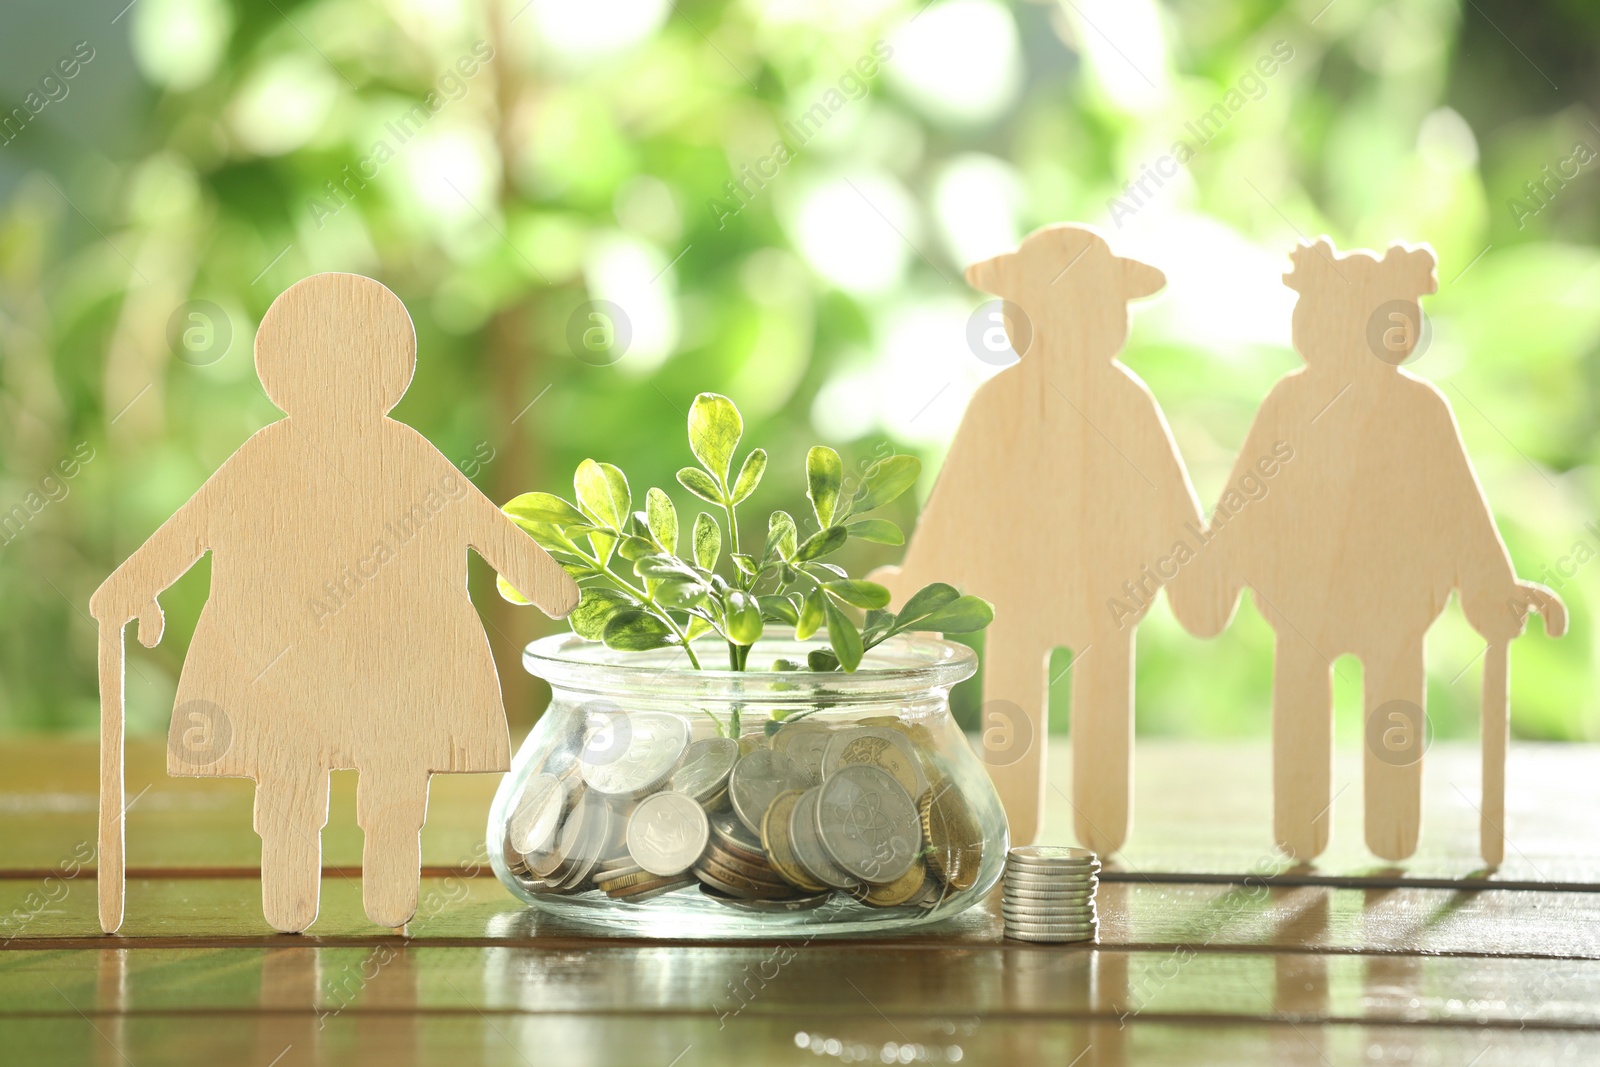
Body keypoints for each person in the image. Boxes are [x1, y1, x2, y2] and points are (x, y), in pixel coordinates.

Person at [90, 273, 578, 931]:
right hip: (307, 668)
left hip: (367, 668)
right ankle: (321, 889)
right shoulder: (302, 458)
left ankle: (377, 884)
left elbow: (491, 531)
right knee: (306, 779)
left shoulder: (381, 457)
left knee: (380, 787)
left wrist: (127, 586)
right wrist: (127, 586)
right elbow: (190, 531)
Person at [1167, 240, 1564, 861]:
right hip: (1301, 607)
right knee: (1304, 715)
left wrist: (1495, 588)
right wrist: (1209, 572)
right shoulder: (1288, 405)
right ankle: (1304, 831)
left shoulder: (1421, 411)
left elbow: (1459, 509)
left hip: (1396, 609)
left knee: (1394, 721)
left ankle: (1392, 833)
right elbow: (1246, 501)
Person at [874, 225, 1204, 851]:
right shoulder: (1002, 405)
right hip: (1021, 601)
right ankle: (1015, 830)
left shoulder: (1119, 402)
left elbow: (1167, 501)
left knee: (1089, 705)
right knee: (1017, 708)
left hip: (1100, 597)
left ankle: (1091, 830)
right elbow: (958, 505)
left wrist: (1194, 577)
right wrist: (918, 592)